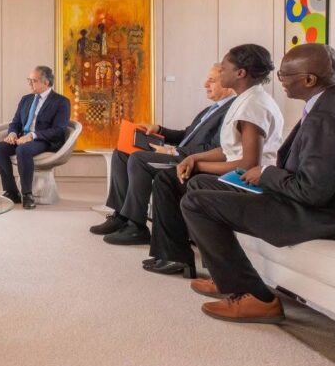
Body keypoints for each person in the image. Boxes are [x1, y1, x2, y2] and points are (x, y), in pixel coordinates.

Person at [181, 44, 335, 323]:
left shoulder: (325, 118)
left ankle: (256, 298)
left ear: (309, 80)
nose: (279, 79)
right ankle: (224, 276)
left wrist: (266, 174)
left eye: (285, 75)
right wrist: (267, 175)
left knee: (195, 203)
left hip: (318, 215)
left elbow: (312, 192)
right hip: (310, 203)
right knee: (200, 185)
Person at [145, 44, 284, 278]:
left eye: (223, 69)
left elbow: (248, 164)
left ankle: (175, 256)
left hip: (246, 180)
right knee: (168, 179)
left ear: (240, 73)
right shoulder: (246, 99)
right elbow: (230, 149)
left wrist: (198, 165)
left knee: (169, 181)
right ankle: (174, 255)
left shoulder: (253, 106)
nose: (220, 72)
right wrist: (194, 157)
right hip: (236, 172)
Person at [92, 64, 235, 246]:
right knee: (121, 153)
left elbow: (216, 148)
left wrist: (173, 151)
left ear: (228, 83)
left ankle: (136, 226)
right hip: (178, 153)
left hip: (188, 161)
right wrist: (158, 129)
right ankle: (121, 216)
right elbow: (186, 135)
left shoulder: (231, 110)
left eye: (212, 80)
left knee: (139, 159)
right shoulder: (210, 110)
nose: (205, 84)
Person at [0, 66, 72, 209]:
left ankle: (27, 194)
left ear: (46, 82)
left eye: (33, 81)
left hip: (44, 140)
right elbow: (16, 122)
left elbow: (58, 130)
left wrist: (32, 135)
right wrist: (12, 133)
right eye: (29, 80)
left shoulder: (61, 102)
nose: (29, 84)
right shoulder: (26, 99)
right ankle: (12, 191)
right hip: (22, 138)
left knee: (23, 150)